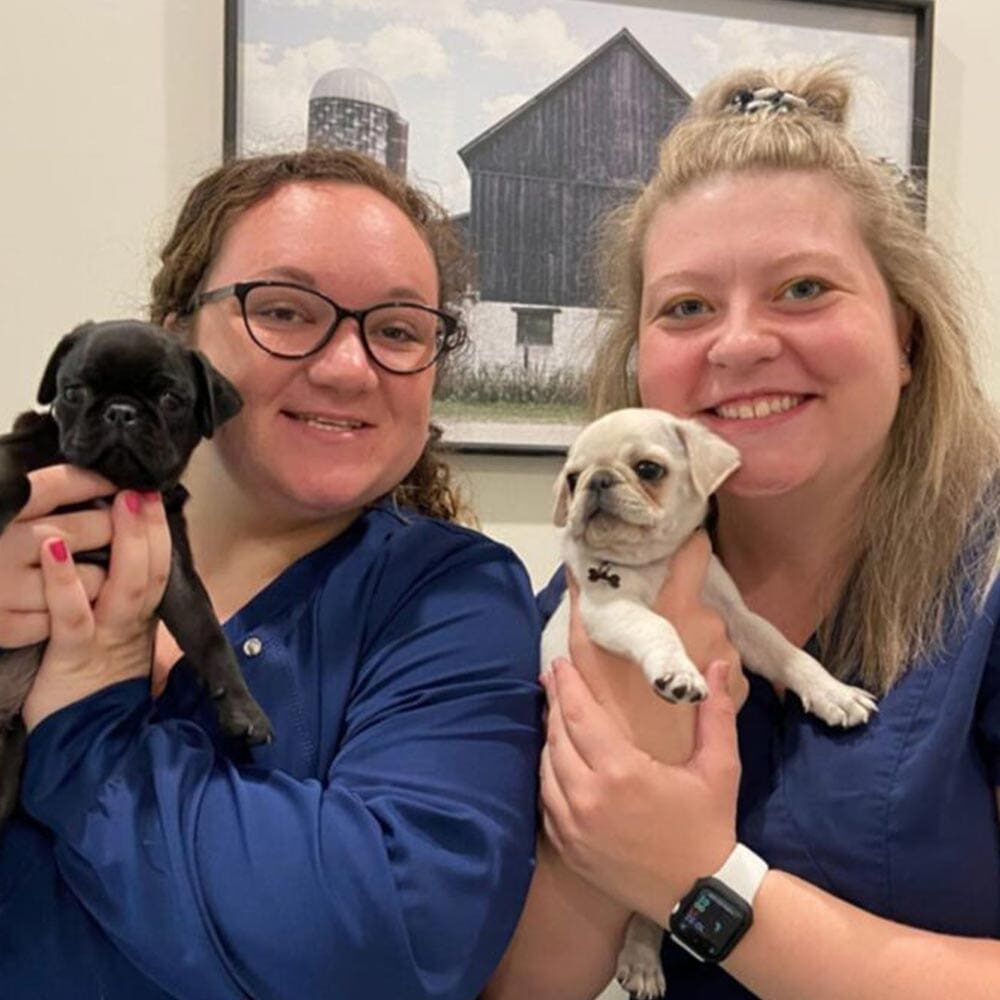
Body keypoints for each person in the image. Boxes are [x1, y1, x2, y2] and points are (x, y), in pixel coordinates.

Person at [485, 63, 1000, 1000]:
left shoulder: (986, 582)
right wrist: (618, 769)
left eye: (804, 288)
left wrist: (704, 882)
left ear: (909, 338)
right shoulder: (588, 593)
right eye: (685, 307)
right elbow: (522, 986)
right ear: (640, 360)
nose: (737, 345)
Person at [0, 148, 542, 1000]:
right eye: (285, 311)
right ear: (176, 331)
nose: (347, 367)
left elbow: (385, 947)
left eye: (399, 329)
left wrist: (87, 714)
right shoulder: (20, 529)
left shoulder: (450, 600)